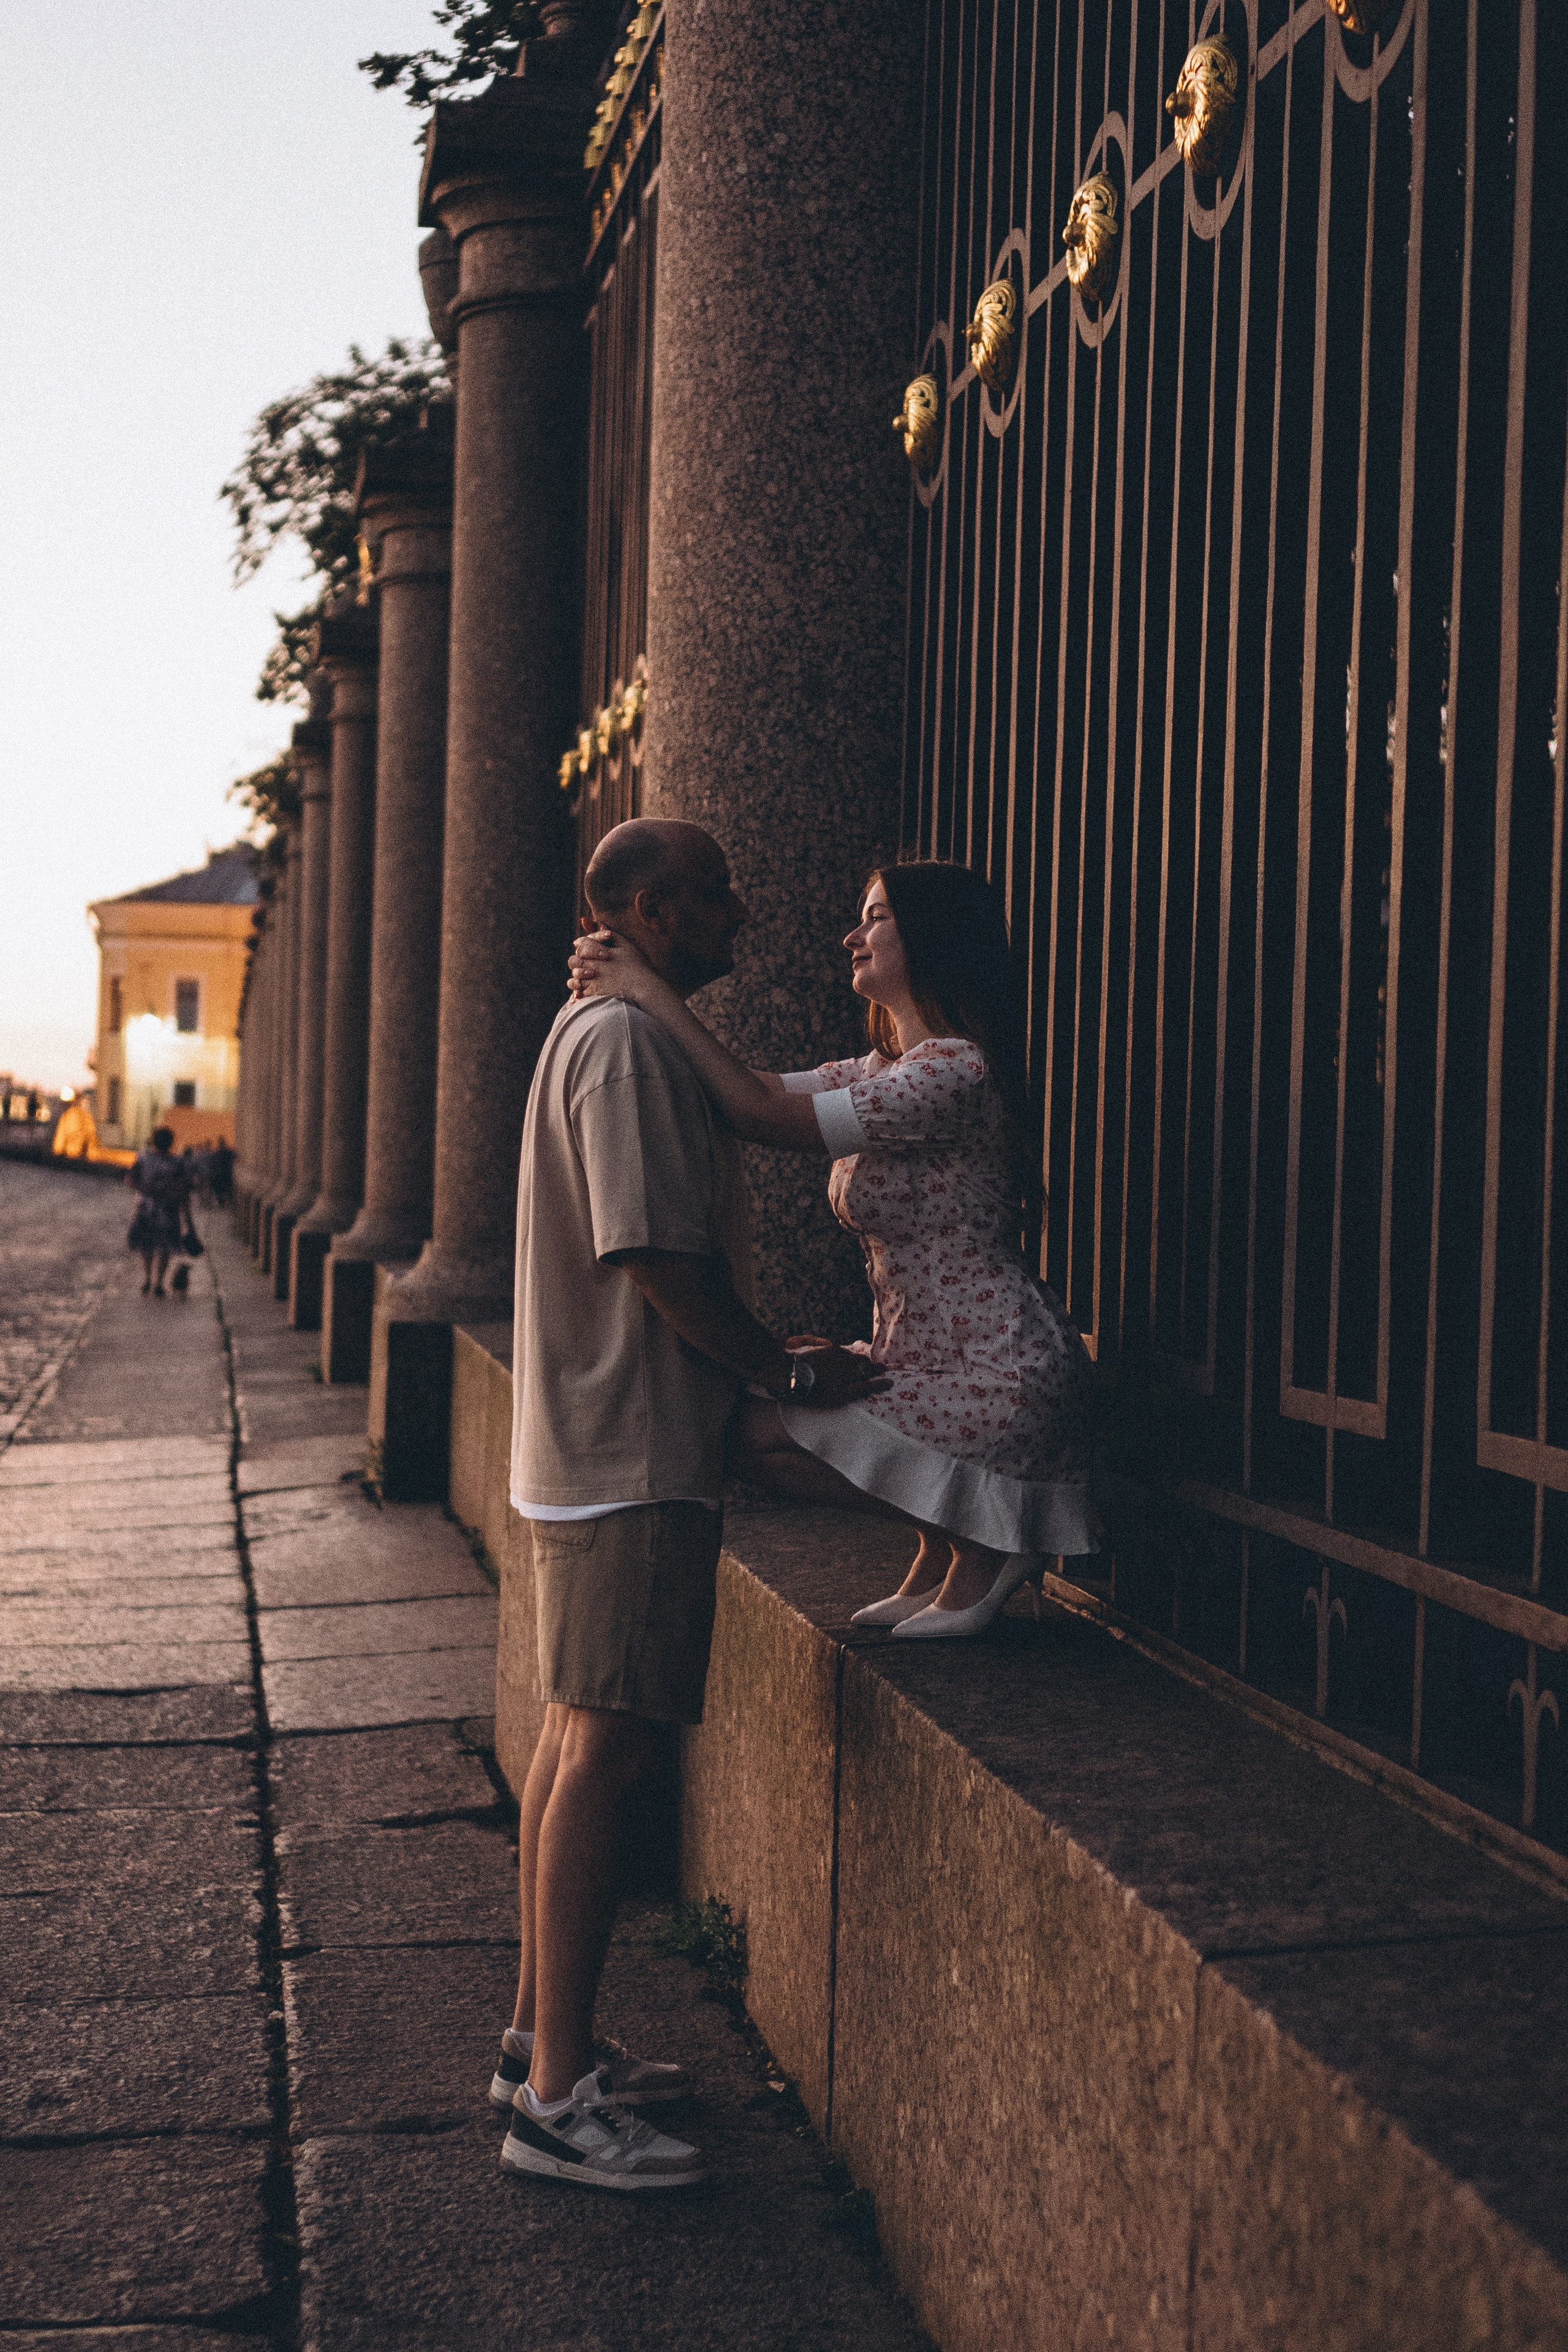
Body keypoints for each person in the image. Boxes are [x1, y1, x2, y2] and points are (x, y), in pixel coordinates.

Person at [496, 818, 886, 2194]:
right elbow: (654, 1255)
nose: (743, 912)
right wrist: (780, 1365)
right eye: (717, 893)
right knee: (602, 1749)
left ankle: (546, 2041)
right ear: (654, 910)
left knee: (569, 1738)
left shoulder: (609, 1029)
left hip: (591, 1440)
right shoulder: (626, 1046)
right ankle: (554, 2103)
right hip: (628, 1448)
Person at [571, 857, 1098, 1638]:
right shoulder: (884, 1068)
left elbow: (756, 1114)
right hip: (929, 1360)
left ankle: (988, 1536)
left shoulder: (954, 1071)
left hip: (999, 1374)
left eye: (877, 918)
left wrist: (648, 993)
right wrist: (635, 988)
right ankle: (947, 1541)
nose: (853, 935)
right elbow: (747, 1084)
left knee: (744, 1432)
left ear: (934, 936)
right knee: (737, 1411)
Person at [126, 1126, 192, 1298]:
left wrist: (146, 1189)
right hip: (169, 1209)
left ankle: (148, 1278)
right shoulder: (178, 1163)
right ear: (171, 1142)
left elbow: (131, 1179)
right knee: (165, 1247)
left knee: (146, 1245)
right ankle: (159, 1283)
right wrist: (187, 1216)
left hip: (147, 1207)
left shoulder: (144, 1159)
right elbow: (185, 1189)